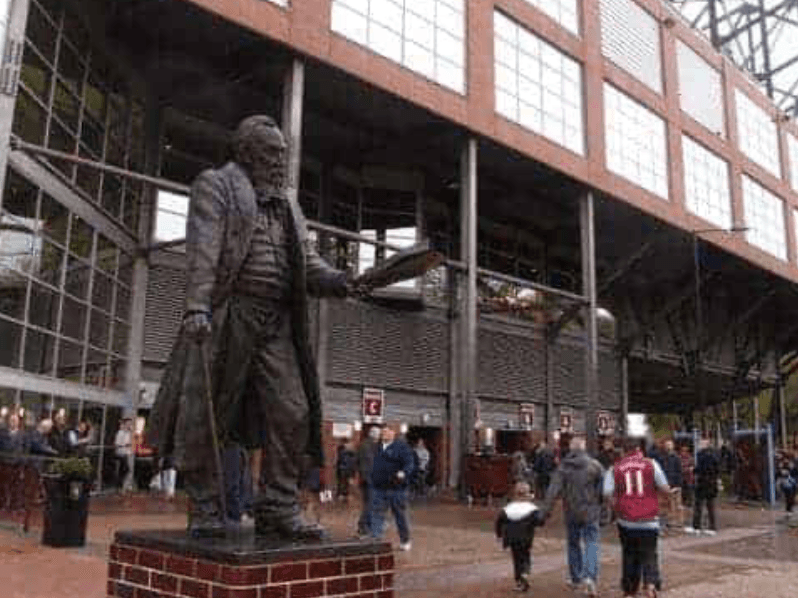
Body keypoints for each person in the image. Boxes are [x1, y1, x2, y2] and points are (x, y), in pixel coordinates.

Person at [146, 115, 365, 538]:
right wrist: (197, 306)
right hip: (232, 314)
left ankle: (277, 504)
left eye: (283, 154)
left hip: (278, 324)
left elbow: (306, 262)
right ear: (246, 154)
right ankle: (207, 504)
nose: (281, 162)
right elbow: (204, 249)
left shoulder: (288, 204)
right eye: (271, 153)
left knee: (294, 411)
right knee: (212, 413)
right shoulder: (218, 184)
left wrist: (341, 280)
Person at [604, 436, 674, 598]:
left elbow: (607, 492)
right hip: (649, 519)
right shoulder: (652, 464)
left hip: (626, 520)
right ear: (639, 450)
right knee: (650, 552)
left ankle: (629, 591)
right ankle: (650, 585)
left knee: (629, 554)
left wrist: (615, 506)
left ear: (623, 451)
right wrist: (665, 503)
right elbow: (665, 488)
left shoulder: (615, 468)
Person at [540, 436, 604, 597]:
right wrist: (603, 511)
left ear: (570, 449)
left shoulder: (563, 467)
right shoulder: (595, 466)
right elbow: (603, 491)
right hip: (590, 512)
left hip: (571, 512)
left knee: (573, 544)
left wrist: (545, 512)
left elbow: (552, 491)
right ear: (584, 448)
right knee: (591, 543)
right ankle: (590, 577)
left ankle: (576, 578)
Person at [369, 426, 415, 550]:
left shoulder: (402, 447)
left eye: (387, 432)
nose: (384, 434)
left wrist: (404, 472)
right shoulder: (377, 447)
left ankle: (405, 541)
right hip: (379, 488)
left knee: (400, 515)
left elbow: (410, 463)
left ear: (393, 433)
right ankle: (376, 539)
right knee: (377, 513)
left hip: (396, 489)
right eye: (382, 432)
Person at [495, 482, 546, 593]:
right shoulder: (532, 509)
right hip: (526, 537)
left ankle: (519, 581)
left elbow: (499, 521)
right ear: (528, 495)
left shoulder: (508, 508)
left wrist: (499, 535)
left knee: (516, 558)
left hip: (511, 538)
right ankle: (525, 573)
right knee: (525, 556)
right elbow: (540, 521)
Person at [689, 438, 720, 535]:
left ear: (705, 445)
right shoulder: (715, 455)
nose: (699, 444)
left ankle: (696, 526)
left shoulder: (701, 455)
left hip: (703, 483)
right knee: (710, 506)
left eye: (701, 443)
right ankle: (712, 527)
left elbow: (700, 469)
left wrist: (693, 470)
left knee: (698, 505)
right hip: (712, 483)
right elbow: (717, 469)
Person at [356, 426, 380, 536]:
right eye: (379, 435)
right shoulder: (369, 446)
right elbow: (370, 464)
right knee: (370, 504)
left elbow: (358, 462)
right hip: (370, 479)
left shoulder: (363, 444)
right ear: (375, 435)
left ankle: (368, 525)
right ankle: (363, 526)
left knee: (368, 503)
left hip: (365, 479)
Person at [660, 440, 683, 530]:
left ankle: (679, 521)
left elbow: (679, 471)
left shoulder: (676, 458)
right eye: (666, 445)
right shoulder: (664, 457)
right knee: (669, 504)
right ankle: (671, 521)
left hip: (675, 483)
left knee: (677, 504)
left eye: (669, 445)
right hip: (667, 483)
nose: (667, 447)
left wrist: (678, 484)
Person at [114, 418, 133, 491]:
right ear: (125, 424)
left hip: (125, 453)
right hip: (120, 453)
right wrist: (125, 445)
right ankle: (119, 485)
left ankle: (120, 485)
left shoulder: (128, 433)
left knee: (124, 470)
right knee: (125, 469)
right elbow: (117, 443)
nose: (129, 425)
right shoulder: (120, 433)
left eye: (130, 424)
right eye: (128, 424)